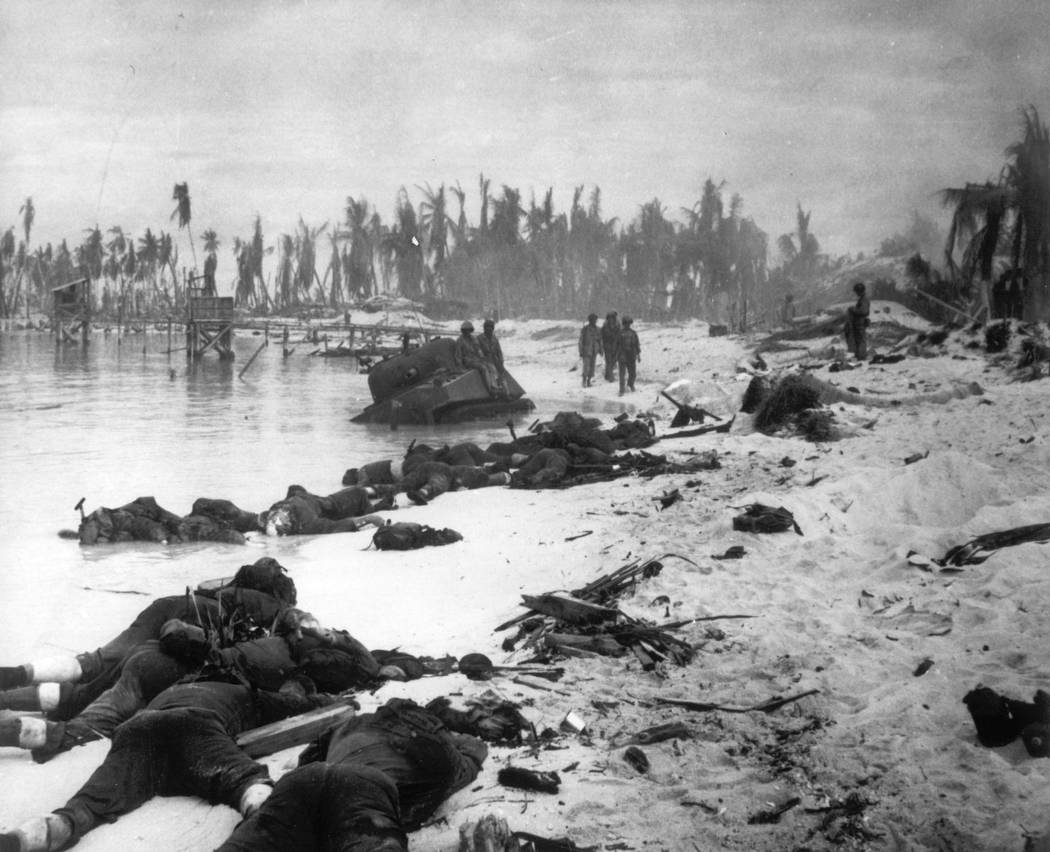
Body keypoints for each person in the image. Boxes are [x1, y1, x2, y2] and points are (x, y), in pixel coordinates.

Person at [0, 677, 334, 852]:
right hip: (197, 728)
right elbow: (296, 705)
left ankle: (28, 836)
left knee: (85, 807)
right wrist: (332, 700)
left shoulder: (174, 688)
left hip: (139, 729)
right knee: (247, 784)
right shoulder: (244, 691)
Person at [0, 558, 303, 718]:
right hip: (184, 623)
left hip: (165, 606)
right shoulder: (274, 607)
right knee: (98, 686)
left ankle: (16, 676)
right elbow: (293, 627)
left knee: (96, 662)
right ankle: (9, 698)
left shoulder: (229, 588)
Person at [216, 695, 519, 852]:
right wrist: (471, 747)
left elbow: (312, 755)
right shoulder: (433, 743)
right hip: (363, 792)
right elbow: (462, 766)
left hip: (301, 784)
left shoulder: (355, 723)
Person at [259, 484, 389, 536]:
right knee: (359, 492)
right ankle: (378, 500)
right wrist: (366, 520)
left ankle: (376, 495)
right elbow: (334, 526)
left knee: (294, 488)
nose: (281, 515)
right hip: (327, 505)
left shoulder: (271, 512)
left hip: (307, 497)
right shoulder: (307, 525)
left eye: (275, 517)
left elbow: (250, 519)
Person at [452, 321, 502, 398]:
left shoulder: (473, 339)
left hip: (476, 359)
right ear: (463, 331)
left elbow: (478, 350)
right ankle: (490, 389)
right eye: (465, 330)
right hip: (468, 360)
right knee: (483, 368)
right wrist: (460, 366)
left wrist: (483, 358)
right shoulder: (460, 340)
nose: (467, 331)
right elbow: (458, 355)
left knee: (491, 366)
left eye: (469, 330)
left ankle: (495, 386)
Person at [476, 319, 509, 397]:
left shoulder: (494, 339)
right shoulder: (479, 338)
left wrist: (501, 361)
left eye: (491, 327)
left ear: (493, 328)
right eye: (487, 327)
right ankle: (494, 389)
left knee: (502, 371)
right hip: (484, 359)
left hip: (494, 359)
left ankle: (507, 393)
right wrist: (482, 358)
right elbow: (478, 350)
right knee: (492, 370)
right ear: (484, 328)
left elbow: (499, 351)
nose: (489, 329)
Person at [845, 281, 870, 360]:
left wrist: (853, 309)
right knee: (858, 339)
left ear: (860, 291)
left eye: (857, 291)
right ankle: (859, 355)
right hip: (858, 323)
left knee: (861, 340)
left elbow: (863, 311)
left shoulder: (864, 300)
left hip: (860, 323)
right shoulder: (862, 299)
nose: (856, 293)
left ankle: (862, 356)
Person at [617, 316, 641, 396]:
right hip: (622, 356)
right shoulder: (620, 333)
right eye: (626, 323)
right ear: (624, 324)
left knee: (633, 373)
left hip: (631, 355)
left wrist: (638, 355)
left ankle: (630, 384)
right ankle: (621, 389)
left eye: (628, 323)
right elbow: (616, 345)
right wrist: (616, 356)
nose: (627, 325)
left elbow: (637, 344)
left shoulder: (633, 333)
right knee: (622, 374)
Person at [578, 313, 602, 388]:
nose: (594, 321)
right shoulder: (585, 329)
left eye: (595, 320)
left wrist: (601, 349)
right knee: (586, 367)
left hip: (594, 350)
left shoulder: (598, 329)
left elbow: (600, 340)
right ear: (589, 320)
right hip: (586, 350)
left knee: (592, 367)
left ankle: (589, 381)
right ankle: (584, 380)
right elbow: (581, 340)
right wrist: (581, 351)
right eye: (592, 320)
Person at [601, 311, 620, 382]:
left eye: (612, 318)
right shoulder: (605, 327)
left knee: (614, 360)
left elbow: (619, 336)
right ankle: (611, 377)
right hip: (607, 346)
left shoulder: (618, 326)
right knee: (609, 361)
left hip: (616, 346)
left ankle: (607, 374)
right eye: (609, 318)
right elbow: (602, 337)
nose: (611, 320)